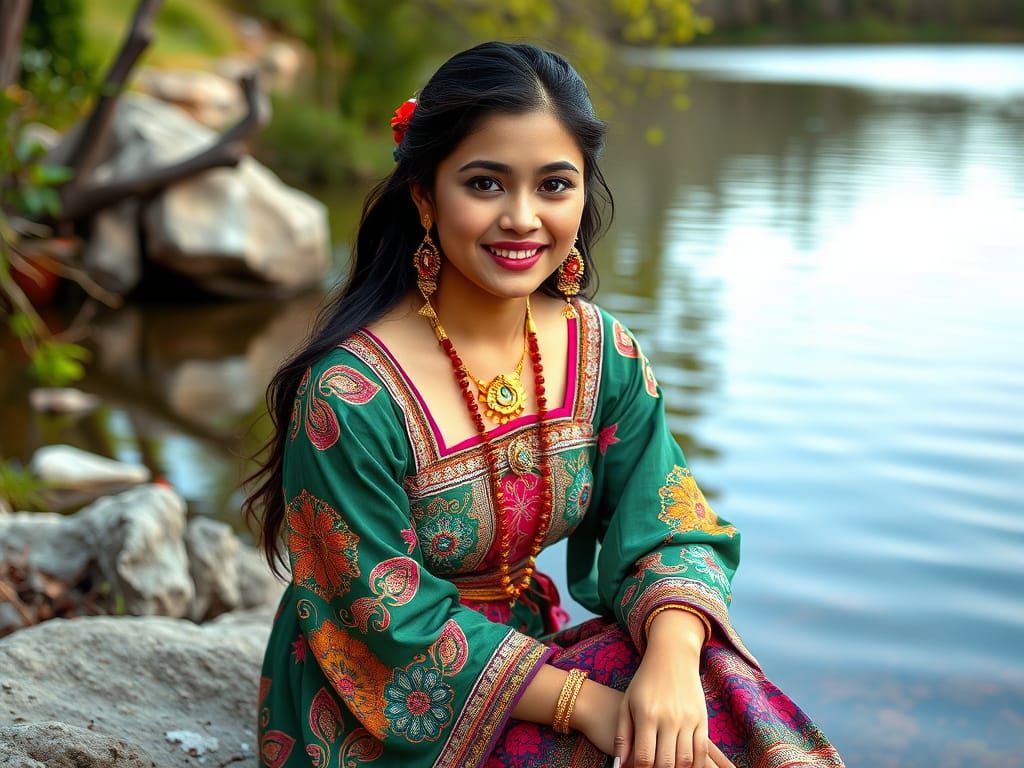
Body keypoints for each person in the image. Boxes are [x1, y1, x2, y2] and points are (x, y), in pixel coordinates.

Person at [244, 42, 845, 768]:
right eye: (486, 184)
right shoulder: (351, 396)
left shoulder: (602, 353)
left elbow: (667, 520)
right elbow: (386, 621)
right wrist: (589, 703)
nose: (523, 218)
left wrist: (674, 660)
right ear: (425, 196)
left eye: (554, 185)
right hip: (380, 702)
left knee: (715, 693)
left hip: (530, 650)